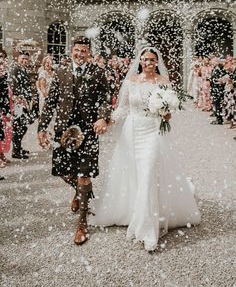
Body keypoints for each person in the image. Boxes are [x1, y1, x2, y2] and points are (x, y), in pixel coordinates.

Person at [91, 44, 201, 251]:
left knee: (149, 172)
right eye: (145, 59)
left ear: (157, 62)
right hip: (132, 131)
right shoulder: (131, 82)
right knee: (135, 174)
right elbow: (122, 108)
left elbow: (169, 110)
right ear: (139, 62)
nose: (149, 63)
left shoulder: (164, 82)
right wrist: (106, 121)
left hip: (153, 131)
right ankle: (134, 211)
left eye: (152, 60)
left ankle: (148, 229)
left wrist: (167, 113)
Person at [38, 37, 112, 245]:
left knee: (84, 175)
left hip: (88, 131)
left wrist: (102, 117)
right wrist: (42, 128)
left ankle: (82, 223)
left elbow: (105, 98)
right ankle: (81, 194)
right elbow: (51, 102)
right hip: (64, 132)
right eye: (77, 50)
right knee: (62, 171)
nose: (80, 54)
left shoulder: (97, 72)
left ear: (89, 53)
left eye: (84, 51)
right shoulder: (60, 72)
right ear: (72, 51)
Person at [10, 50, 32, 159]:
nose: (24, 61)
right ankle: (16, 151)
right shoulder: (15, 69)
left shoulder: (24, 70)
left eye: (26, 59)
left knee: (23, 126)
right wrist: (20, 99)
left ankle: (18, 147)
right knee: (19, 126)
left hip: (24, 102)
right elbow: (13, 86)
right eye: (22, 58)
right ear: (18, 59)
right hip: (18, 103)